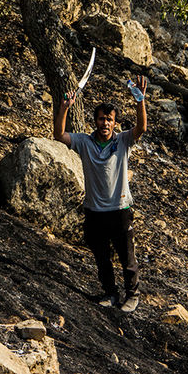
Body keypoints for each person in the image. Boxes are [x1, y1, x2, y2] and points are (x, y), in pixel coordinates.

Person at [53, 75, 147, 313]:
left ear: (115, 123)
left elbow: (141, 128)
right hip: (94, 210)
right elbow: (59, 135)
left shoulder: (123, 141)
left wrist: (140, 101)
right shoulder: (84, 142)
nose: (106, 123)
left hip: (120, 209)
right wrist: (64, 108)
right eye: (102, 119)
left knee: (127, 257)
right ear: (95, 120)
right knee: (102, 257)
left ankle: (132, 295)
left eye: (110, 120)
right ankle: (111, 293)